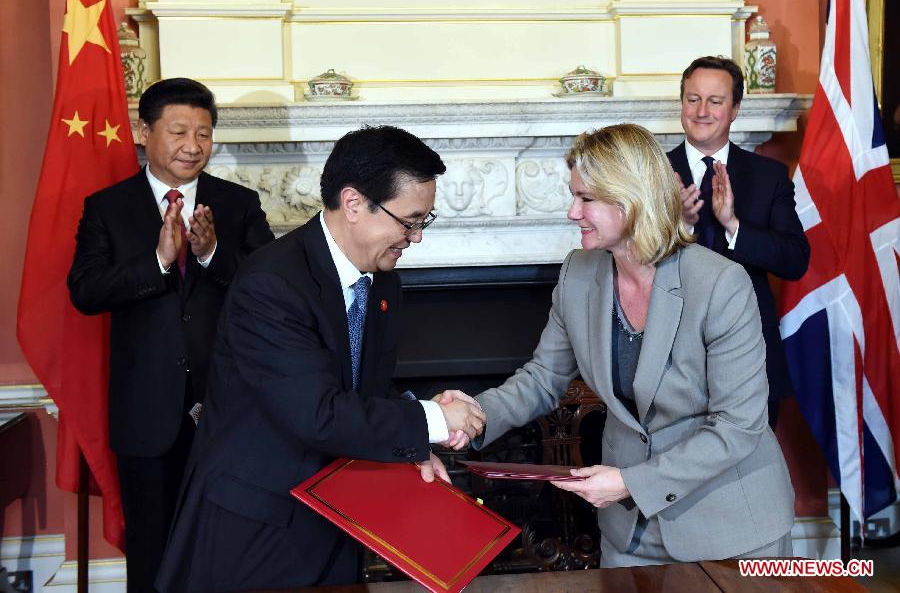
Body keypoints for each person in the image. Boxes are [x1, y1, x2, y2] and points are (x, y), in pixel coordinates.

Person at [156, 125, 486, 592]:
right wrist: (428, 418)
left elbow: (362, 386)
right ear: (353, 203)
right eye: (409, 221)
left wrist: (416, 441)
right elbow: (318, 413)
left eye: (422, 222)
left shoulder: (382, 277)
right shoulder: (272, 283)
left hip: (334, 515)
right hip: (257, 527)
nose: (415, 238)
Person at [466, 124, 795, 566]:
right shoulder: (578, 274)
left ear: (632, 199)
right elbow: (543, 379)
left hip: (730, 526)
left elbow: (738, 426)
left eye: (586, 199)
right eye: (573, 195)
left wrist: (631, 483)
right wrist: (475, 415)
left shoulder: (720, 284)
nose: (571, 212)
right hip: (628, 531)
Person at [67, 78, 275, 592]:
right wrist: (158, 261)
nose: (193, 145)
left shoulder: (239, 203)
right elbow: (85, 291)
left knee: (228, 546)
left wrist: (211, 255)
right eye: (179, 131)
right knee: (152, 550)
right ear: (144, 132)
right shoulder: (108, 208)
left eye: (204, 133)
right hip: (146, 412)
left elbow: (271, 293)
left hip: (229, 407)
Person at [668, 56, 810, 429]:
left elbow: (795, 260)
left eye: (715, 101)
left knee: (751, 478)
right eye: (692, 99)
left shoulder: (769, 176)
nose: (702, 111)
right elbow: (623, 260)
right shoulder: (651, 173)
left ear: (734, 110)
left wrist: (733, 224)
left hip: (751, 356)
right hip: (669, 360)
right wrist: (677, 228)